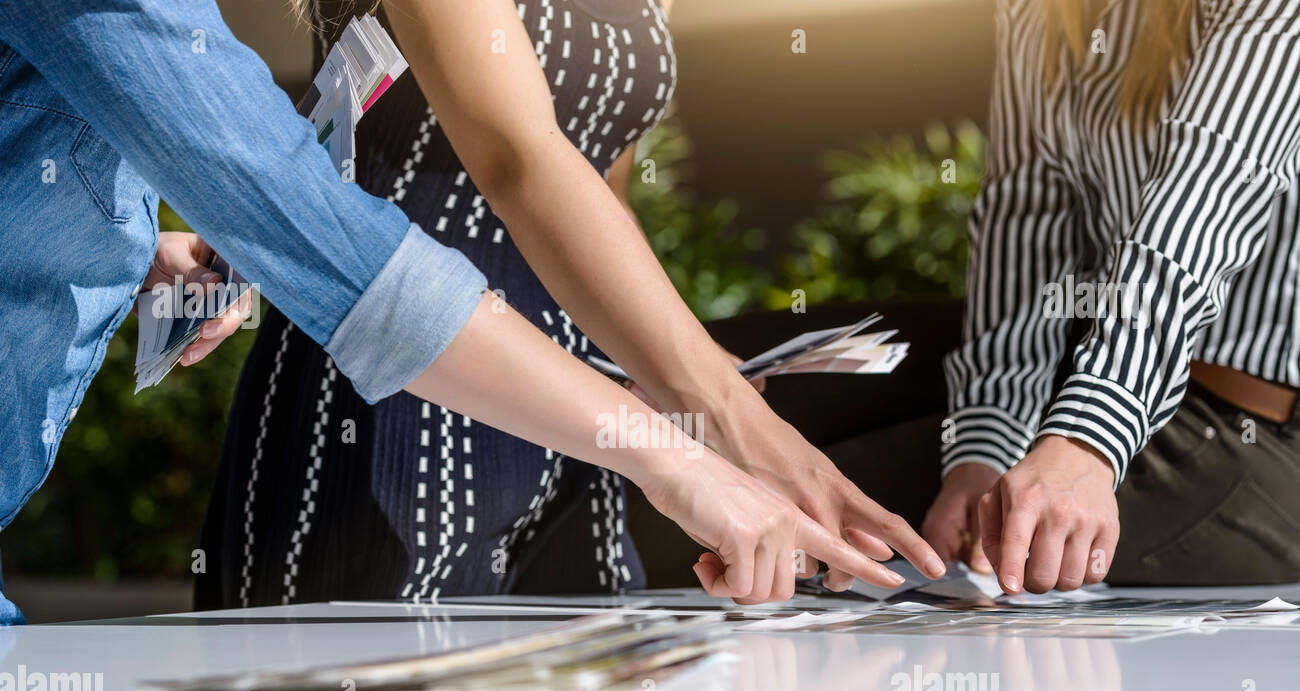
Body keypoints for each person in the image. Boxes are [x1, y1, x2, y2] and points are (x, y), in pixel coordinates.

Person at [0, 0, 940, 624]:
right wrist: (704, 440)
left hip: (571, 406)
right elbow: (481, 172)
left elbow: (591, 183)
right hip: (395, 407)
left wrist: (687, 388)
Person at [922, 0, 1300, 592]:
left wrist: (1084, 441)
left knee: (857, 502)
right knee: (805, 414)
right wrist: (984, 449)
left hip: (1252, 432)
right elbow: (1023, 232)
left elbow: (1200, 206)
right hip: (1098, 372)